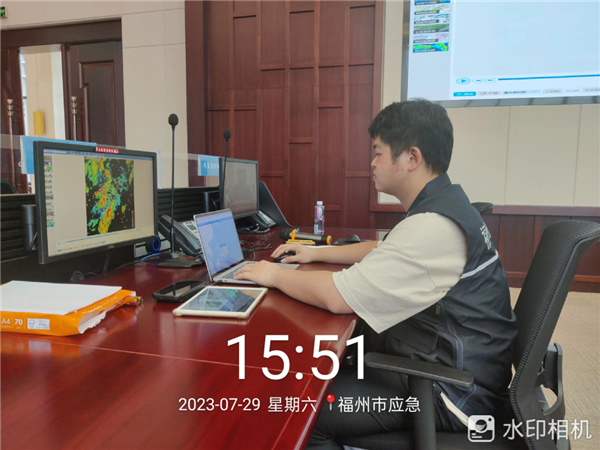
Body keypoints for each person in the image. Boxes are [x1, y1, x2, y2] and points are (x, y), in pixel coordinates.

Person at [234, 99, 517, 449]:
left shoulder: (432, 226)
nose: (371, 162)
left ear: (412, 158)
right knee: (328, 365)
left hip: (454, 393)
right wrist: (316, 252)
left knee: (305, 412)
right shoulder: (445, 206)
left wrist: (272, 274)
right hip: (456, 367)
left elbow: (337, 297)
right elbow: (385, 249)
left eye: (378, 152)